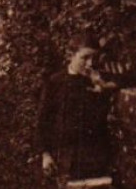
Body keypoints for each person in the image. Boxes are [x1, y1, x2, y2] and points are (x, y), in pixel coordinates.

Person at [37, 42, 118, 181]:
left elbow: (135, 79)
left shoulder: (97, 79)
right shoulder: (55, 82)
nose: (90, 63)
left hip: (94, 154)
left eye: (93, 58)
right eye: (85, 58)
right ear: (71, 56)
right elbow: (44, 119)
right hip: (65, 155)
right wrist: (45, 154)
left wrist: (102, 86)